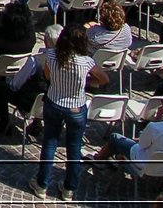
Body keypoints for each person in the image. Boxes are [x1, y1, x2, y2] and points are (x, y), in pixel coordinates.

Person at [21, 22, 109, 199]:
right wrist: (87, 82)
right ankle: (69, 188)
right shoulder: (87, 62)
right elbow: (104, 79)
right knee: (74, 148)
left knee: (49, 144)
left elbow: (47, 77)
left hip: (54, 103)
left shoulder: (52, 55)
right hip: (76, 107)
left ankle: (41, 184)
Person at [90, 88, 163, 175]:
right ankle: (117, 157)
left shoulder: (154, 127)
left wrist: (157, 120)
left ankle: (98, 159)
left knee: (115, 138)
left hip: (145, 164)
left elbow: (141, 145)